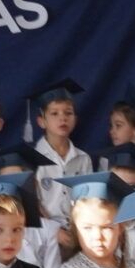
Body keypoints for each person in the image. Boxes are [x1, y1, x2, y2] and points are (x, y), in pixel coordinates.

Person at [26, 79, 96, 249]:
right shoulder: (31, 159)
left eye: (68, 113)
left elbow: (88, 199)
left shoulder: (83, 158)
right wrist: (54, 231)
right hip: (45, 235)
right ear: (41, 121)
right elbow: (32, 204)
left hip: (80, 232)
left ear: (75, 119)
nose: (62, 118)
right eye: (54, 113)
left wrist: (80, 230)